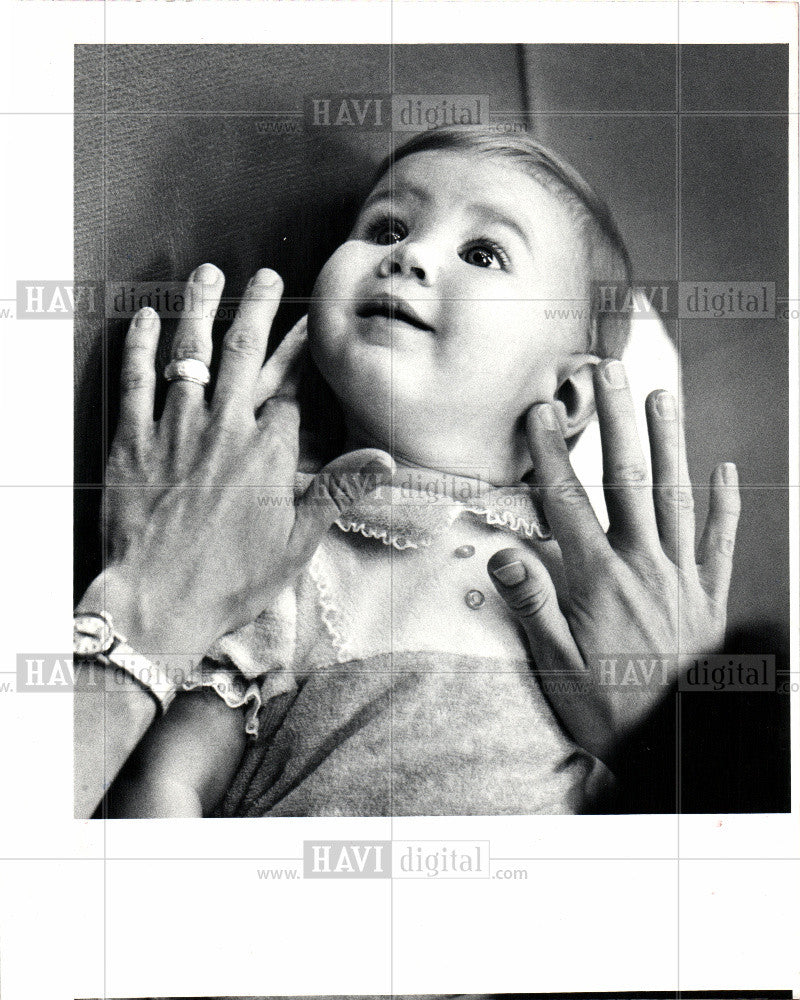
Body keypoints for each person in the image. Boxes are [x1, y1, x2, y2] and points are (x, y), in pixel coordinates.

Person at [77, 127, 740, 818]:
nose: (410, 254)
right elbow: (169, 784)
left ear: (568, 397)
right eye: (387, 225)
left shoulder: (609, 596)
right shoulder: (273, 548)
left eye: (484, 253)